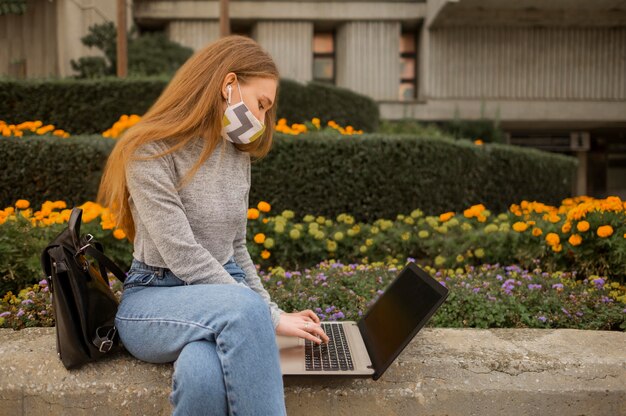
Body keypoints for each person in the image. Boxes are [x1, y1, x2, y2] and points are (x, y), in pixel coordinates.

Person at [96, 35, 329, 416]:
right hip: (153, 297)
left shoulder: (237, 156)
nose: (263, 118)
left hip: (221, 300)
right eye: (261, 104)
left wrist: (267, 307)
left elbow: (236, 250)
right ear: (229, 84)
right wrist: (270, 317)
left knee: (202, 375)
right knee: (244, 310)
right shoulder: (150, 150)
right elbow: (182, 254)